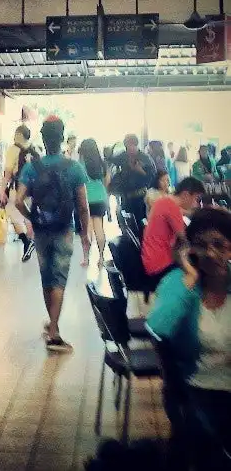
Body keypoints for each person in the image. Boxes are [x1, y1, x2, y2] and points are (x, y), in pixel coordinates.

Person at [146, 207, 231, 470]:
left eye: (220, 244)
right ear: (190, 250)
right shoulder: (180, 283)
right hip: (195, 392)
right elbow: (156, 329)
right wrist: (191, 279)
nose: (212, 253)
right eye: (202, 245)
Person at [15, 116, 90, 353]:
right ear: (61, 138)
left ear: (44, 139)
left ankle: (52, 324)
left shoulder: (32, 167)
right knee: (59, 278)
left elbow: (18, 201)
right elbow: (83, 206)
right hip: (64, 229)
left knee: (46, 276)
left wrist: (32, 217)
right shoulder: (74, 167)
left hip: (41, 229)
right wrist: (85, 234)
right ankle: (55, 331)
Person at [141, 177, 205, 289]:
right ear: (185, 195)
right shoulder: (172, 207)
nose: (196, 204)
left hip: (151, 259)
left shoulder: (165, 201)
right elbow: (185, 239)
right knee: (200, 273)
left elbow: (184, 216)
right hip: (160, 265)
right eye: (196, 199)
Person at [0, 125, 37, 262]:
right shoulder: (34, 149)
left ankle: (26, 242)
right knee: (29, 216)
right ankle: (32, 241)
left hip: (19, 188)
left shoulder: (13, 149)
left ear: (19, 135)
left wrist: (2, 190)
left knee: (13, 214)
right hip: (34, 190)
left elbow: (8, 172)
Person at [78, 138, 110, 268]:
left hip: (86, 199)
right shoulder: (103, 164)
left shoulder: (81, 163)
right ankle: (101, 258)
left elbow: (78, 183)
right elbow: (107, 181)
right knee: (99, 229)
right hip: (101, 198)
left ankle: (86, 258)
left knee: (87, 230)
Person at [111, 134, 156, 225]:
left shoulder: (145, 158)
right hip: (125, 196)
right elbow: (110, 159)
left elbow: (153, 177)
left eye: (132, 145)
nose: (130, 149)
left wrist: (140, 171)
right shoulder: (122, 156)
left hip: (141, 197)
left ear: (136, 145)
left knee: (141, 223)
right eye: (127, 146)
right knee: (126, 223)